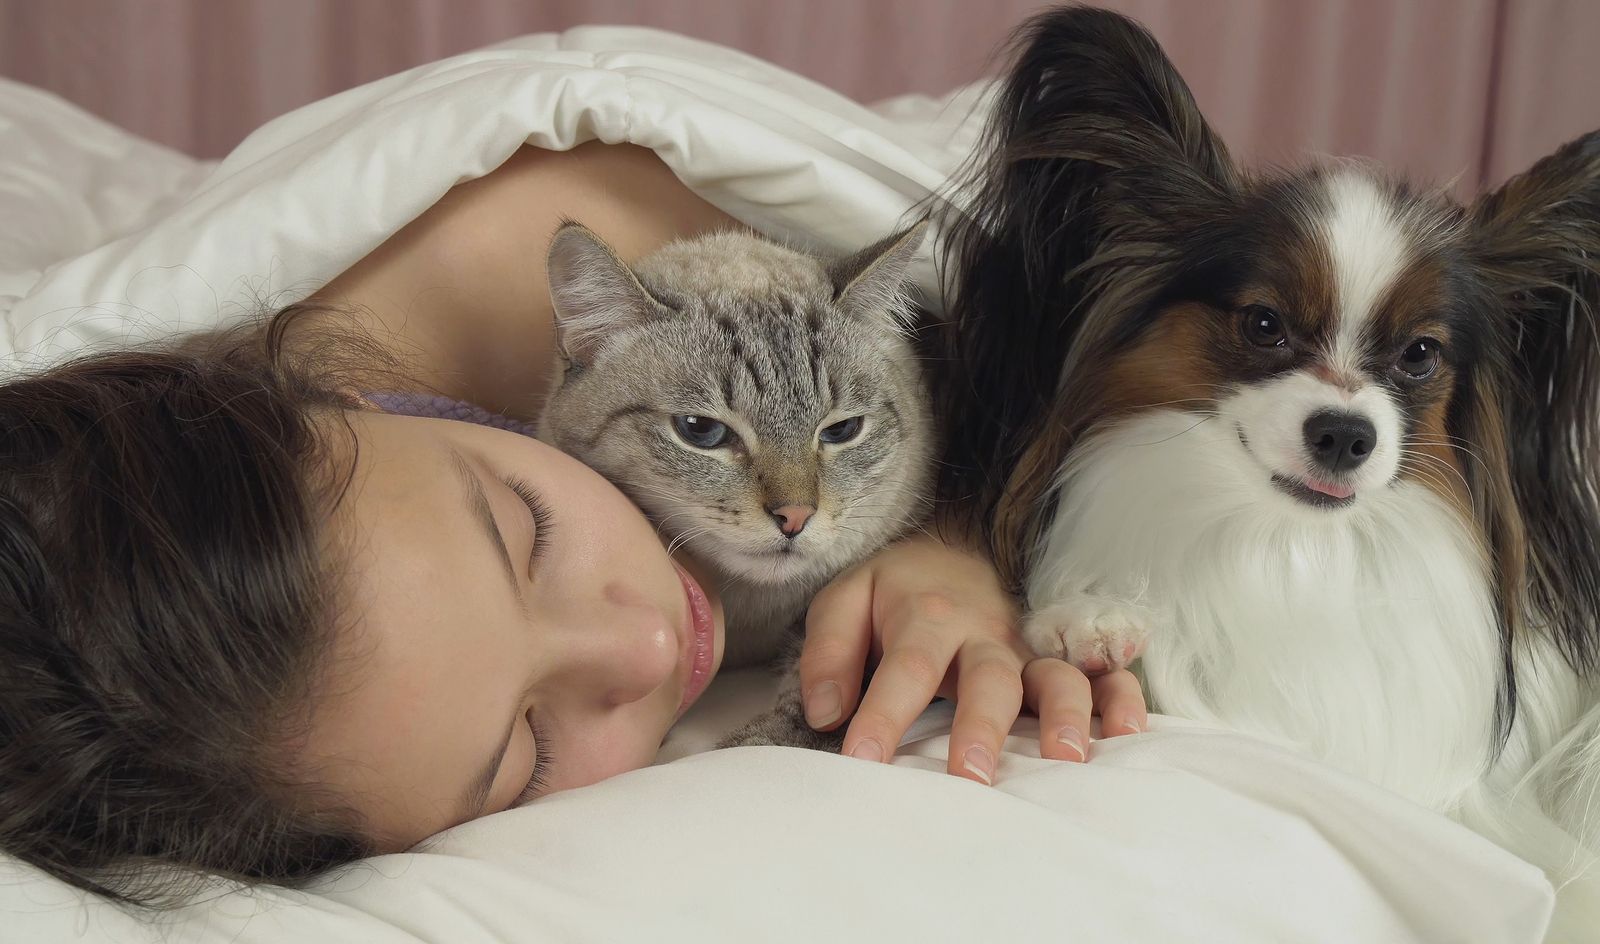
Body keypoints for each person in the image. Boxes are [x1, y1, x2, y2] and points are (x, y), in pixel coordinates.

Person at [0, 142, 1147, 905]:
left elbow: (1004, 339)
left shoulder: (537, 253)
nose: (648, 643)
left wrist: (954, 531)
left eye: (527, 529)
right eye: (523, 754)